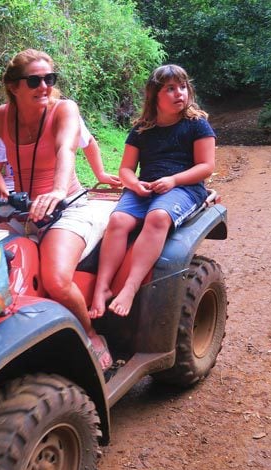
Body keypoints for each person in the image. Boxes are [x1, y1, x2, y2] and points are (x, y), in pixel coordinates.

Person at [0, 48, 113, 370]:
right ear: (13, 86)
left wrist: (58, 191)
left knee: (57, 280)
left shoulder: (64, 109)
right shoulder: (2, 117)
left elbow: (65, 150)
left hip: (68, 205)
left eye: (49, 79)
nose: (44, 86)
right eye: (34, 81)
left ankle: (90, 334)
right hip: (24, 210)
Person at [89, 64, 216, 318]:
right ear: (154, 95)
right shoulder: (142, 129)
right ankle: (101, 289)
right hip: (145, 187)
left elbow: (206, 166)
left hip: (185, 187)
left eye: (182, 87)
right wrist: (134, 184)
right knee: (117, 220)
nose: (179, 93)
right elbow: (126, 169)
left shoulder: (196, 125)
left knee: (157, 217)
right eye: (170, 89)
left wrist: (173, 180)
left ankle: (130, 287)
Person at [0, 119, 120, 199]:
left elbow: (88, 141)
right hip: (12, 189)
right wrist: (5, 194)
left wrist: (100, 174)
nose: (42, 87)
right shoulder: (5, 120)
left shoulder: (65, 117)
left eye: (48, 80)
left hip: (60, 190)